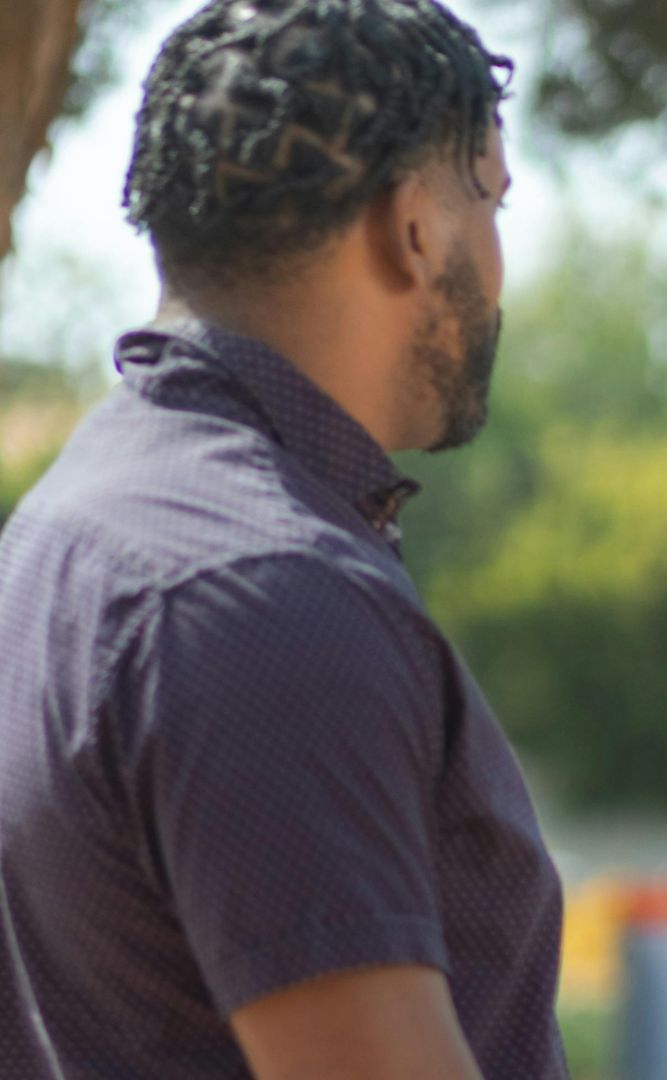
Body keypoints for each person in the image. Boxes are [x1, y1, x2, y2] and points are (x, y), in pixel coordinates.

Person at [0, 1, 567, 1076]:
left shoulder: (59, 534)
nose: (497, 259)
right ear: (415, 226)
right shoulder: (264, 592)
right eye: (489, 197)